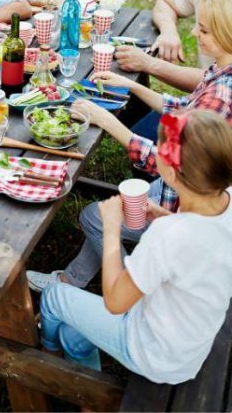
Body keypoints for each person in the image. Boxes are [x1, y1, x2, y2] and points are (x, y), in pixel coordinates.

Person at [27, 0, 232, 292]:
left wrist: (107, 120)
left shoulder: (222, 95)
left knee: (93, 218)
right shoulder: (221, 71)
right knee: (106, 209)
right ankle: (71, 281)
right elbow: (181, 110)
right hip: (197, 191)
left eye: (203, 29)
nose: (196, 36)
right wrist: (130, 85)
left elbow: (163, 161)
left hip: (186, 201)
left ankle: (127, 290)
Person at [40, 110, 232, 384]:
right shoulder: (225, 201)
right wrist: (163, 215)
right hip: (190, 342)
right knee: (72, 338)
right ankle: (87, 395)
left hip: (154, 354)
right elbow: (201, 235)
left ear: (169, 170)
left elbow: (115, 302)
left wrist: (110, 227)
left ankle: (45, 365)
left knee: (54, 296)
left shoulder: (167, 236)